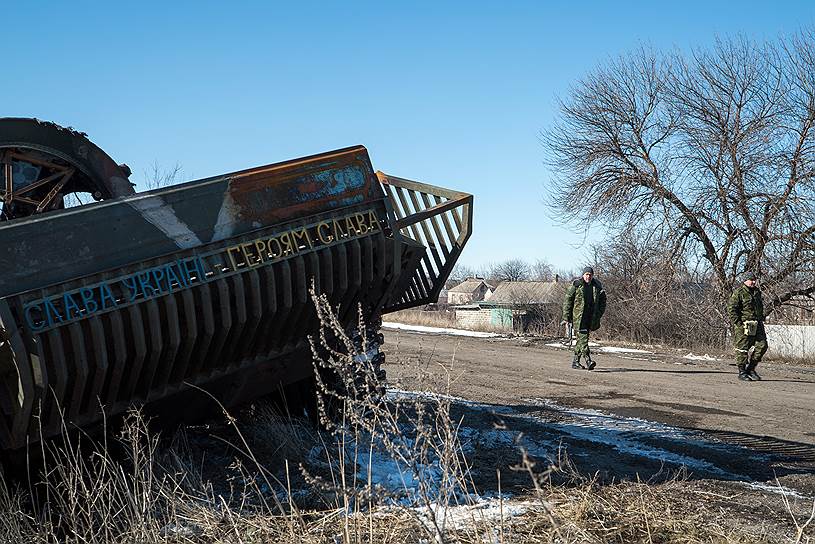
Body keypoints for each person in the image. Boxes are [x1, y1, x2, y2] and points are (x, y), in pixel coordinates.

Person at [562, 267, 607, 370]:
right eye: (586, 274)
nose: (588, 276)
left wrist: (599, 313)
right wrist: (566, 317)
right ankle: (588, 360)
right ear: (583, 275)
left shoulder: (597, 286)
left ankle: (575, 362)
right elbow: (568, 301)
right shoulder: (576, 285)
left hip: (591, 317)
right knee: (583, 339)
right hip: (578, 317)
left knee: (581, 339)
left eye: (590, 274)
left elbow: (603, 300)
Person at [727, 271, 768, 381]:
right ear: (745, 280)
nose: (754, 282)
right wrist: (738, 323)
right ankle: (742, 371)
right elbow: (732, 308)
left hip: (757, 323)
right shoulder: (739, 292)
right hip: (743, 325)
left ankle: (751, 368)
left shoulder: (757, 292)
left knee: (762, 345)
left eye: (755, 280)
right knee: (742, 348)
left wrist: (761, 318)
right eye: (751, 280)